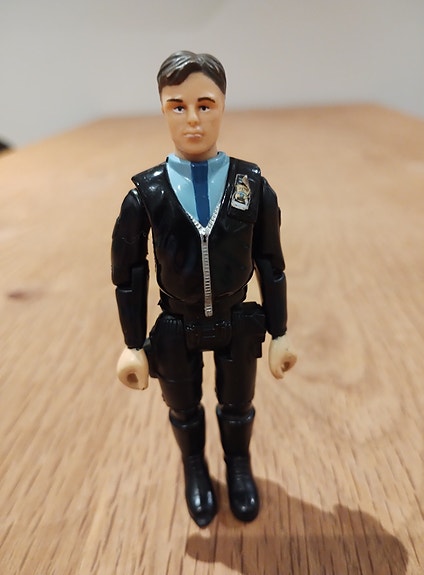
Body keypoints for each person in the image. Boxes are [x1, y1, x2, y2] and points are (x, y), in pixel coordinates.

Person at [111, 51, 297, 527]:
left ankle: (238, 465)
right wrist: (133, 343)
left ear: (223, 106)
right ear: (163, 109)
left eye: (205, 105)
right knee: (183, 407)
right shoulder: (146, 194)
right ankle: (194, 467)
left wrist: (279, 332)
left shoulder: (251, 185)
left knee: (238, 404)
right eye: (178, 106)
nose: (192, 119)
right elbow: (129, 274)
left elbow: (271, 262)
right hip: (177, 322)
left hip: (237, 319)